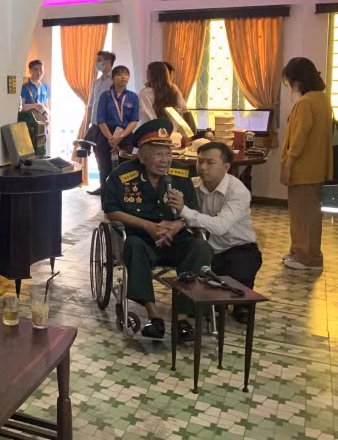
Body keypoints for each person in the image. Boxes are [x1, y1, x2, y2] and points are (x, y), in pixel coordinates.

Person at [104, 119, 212, 341]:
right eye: (158, 154)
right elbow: (112, 212)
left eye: (168, 153)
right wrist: (147, 225)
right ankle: (154, 318)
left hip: (174, 239)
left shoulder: (181, 175)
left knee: (200, 246)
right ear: (142, 156)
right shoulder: (123, 176)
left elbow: (193, 209)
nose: (165, 161)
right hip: (142, 240)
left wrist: (177, 224)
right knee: (133, 246)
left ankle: (182, 318)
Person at [167, 141, 261, 324]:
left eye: (210, 162)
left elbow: (220, 226)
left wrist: (184, 211)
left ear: (226, 167)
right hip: (206, 249)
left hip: (237, 247)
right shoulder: (192, 186)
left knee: (239, 274)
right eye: (199, 161)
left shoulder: (238, 191)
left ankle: (242, 306)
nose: (202, 167)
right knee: (203, 304)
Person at [279, 58, 333, 270]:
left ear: (298, 80)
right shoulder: (322, 99)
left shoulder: (306, 102)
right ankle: (299, 250)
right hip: (315, 167)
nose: (290, 85)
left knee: (304, 214)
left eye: (290, 80)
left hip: (303, 167)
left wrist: (288, 165)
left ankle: (307, 257)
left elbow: (300, 138)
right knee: (305, 213)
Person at [95, 65, 140, 204]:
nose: (123, 77)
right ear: (113, 78)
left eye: (126, 74)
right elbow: (100, 120)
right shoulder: (105, 96)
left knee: (125, 171)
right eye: (120, 74)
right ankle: (107, 206)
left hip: (126, 137)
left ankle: (124, 204)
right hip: (105, 136)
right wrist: (111, 139)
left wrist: (121, 137)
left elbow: (134, 120)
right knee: (105, 171)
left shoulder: (133, 96)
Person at [86, 51, 115, 196]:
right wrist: (88, 124)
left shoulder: (114, 82)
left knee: (106, 159)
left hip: (107, 126)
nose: (97, 63)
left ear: (108, 62)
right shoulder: (97, 82)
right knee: (98, 157)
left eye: (100, 60)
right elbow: (91, 104)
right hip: (95, 125)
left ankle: (108, 189)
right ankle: (102, 185)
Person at [139, 61, 189, 126]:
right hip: (173, 131)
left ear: (152, 75)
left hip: (153, 132)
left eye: (147, 72)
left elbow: (148, 117)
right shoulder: (173, 89)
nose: (146, 75)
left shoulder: (145, 93)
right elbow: (183, 109)